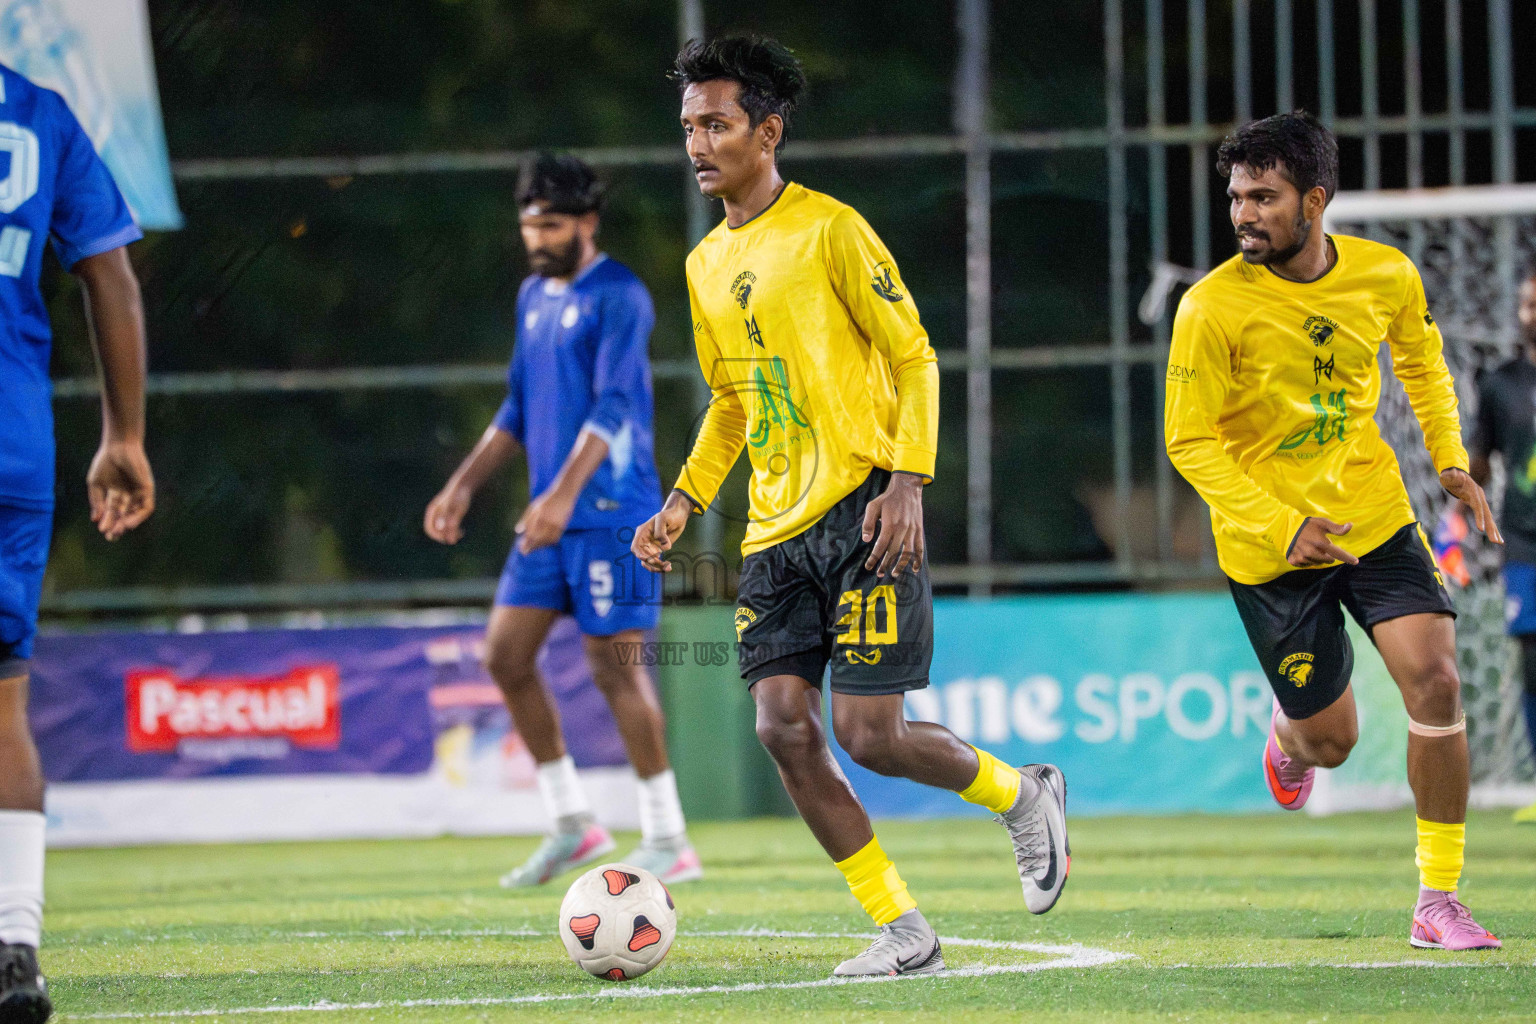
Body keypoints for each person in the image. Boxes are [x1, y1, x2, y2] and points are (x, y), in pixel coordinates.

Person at [632, 37, 1069, 979]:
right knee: (783, 728)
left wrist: (908, 480)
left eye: (717, 124)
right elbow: (733, 402)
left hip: (865, 509)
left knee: (870, 736)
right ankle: (904, 930)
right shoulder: (706, 264)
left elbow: (915, 356)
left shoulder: (832, 229)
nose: (698, 144)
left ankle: (1020, 794)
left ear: (768, 130)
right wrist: (682, 500)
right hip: (772, 534)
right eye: (688, 128)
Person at [1165, 111, 1502, 950]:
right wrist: (1284, 525)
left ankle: (1438, 900)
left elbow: (1420, 362)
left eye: (1266, 197)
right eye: (1238, 197)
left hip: (1373, 515)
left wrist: (1452, 458)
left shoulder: (1386, 276)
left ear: (1316, 199)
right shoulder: (1209, 309)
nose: (1245, 213)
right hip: (1268, 546)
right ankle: (1289, 735)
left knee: (1437, 682)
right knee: (1333, 741)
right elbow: (1189, 439)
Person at [424, 154, 700, 887]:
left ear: (586, 222)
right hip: (551, 517)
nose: (535, 238)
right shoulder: (533, 298)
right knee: (504, 656)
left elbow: (613, 407)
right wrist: (463, 485)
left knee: (616, 670)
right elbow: (515, 406)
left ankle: (669, 837)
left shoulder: (620, 296)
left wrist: (558, 497)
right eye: (527, 224)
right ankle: (573, 823)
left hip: (612, 513)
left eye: (549, 224)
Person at [0, 63, 156, 1021]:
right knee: (3, 706)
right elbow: (112, 275)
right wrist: (124, 434)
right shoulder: (39, 112)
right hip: (12, 442)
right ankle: (15, 946)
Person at [1468, 263, 1536, 825]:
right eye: (1527, 304)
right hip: (1524, 539)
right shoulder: (1501, 382)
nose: (1530, 313)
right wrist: (1462, 517)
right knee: (1532, 659)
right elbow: (1478, 460)